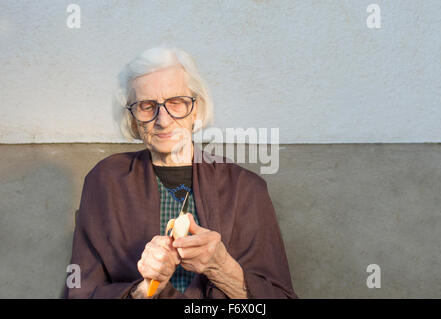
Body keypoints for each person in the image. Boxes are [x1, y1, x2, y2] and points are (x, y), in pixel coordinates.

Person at [62, 47, 297, 299]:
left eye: (177, 102)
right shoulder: (105, 181)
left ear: (196, 109)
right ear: (132, 118)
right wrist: (143, 291)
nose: (163, 120)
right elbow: (80, 292)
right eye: (146, 105)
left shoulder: (247, 188)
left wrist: (222, 268)